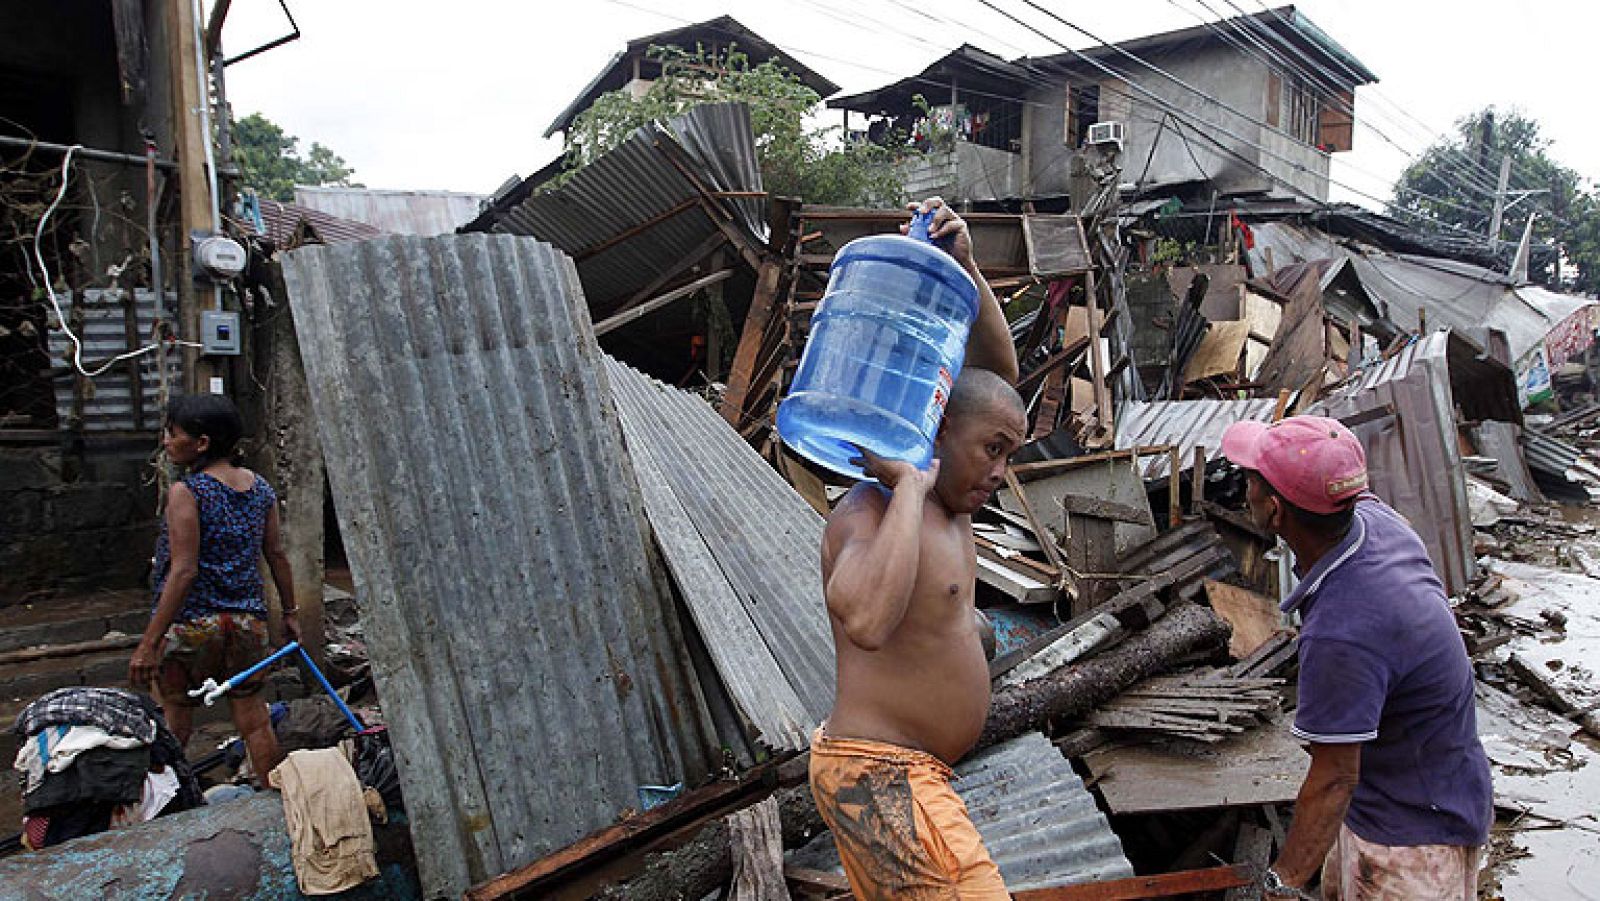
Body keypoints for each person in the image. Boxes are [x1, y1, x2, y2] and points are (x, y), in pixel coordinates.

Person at [810, 197, 1023, 900]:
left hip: (910, 774)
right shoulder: (870, 511)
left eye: (1008, 454)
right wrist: (904, 481)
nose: (999, 471)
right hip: (879, 773)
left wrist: (967, 268)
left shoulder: (953, 502)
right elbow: (867, 620)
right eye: (992, 451)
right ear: (935, 431)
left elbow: (994, 381)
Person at [1219, 416, 1492, 901]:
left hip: (1411, 840)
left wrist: (1280, 882)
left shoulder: (1345, 631)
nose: (1245, 491)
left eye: (1251, 482)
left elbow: (1334, 778)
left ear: (1275, 509)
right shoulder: (1373, 521)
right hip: (1418, 786)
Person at [129, 394, 299, 783]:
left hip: (192, 627)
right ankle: (277, 802)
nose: (167, 442)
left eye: (173, 434)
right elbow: (277, 556)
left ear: (201, 443)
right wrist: (290, 614)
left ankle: (165, 804)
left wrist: (149, 641)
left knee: (175, 717)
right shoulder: (261, 490)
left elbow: (184, 570)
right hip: (246, 626)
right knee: (254, 720)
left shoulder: (186, 492)